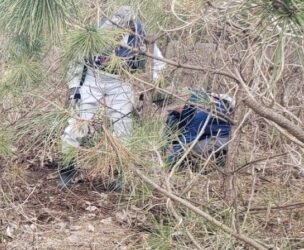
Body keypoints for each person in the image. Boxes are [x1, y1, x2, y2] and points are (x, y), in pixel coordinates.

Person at [58, 5, 165, 189]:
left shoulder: (139, 34)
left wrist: (152, 86)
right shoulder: (96, 30)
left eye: (124, 26)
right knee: (78, 123)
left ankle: (119, 174)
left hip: (121, 80)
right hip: (93, 76)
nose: (119, 29)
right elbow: (76, 61)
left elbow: (158, 62)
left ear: (130, 24)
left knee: (123, 128)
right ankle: (67, 169)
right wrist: (75, 88)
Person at [165, 91, 234, 167]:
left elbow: (188, 139)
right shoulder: (183, 109)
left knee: (189, 149)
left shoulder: (201, 109)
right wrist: (162, 150)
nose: (171, 110)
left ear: (181, 102)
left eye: (173, 107)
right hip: (207, 135)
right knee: (180, 140)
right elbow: (168, 133)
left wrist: (167, 164)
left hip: (222, 139)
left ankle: (218, 163)